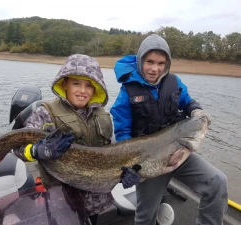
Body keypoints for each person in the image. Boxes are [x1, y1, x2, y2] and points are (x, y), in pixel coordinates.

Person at [110, 34, 228, 225]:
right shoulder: (127, 93)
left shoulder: (174, 82)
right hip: (149, 164)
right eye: (149, 62)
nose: (155, 69)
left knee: (217, 181)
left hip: (179, 153)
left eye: (160, 63)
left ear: (167, 64)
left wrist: (196, 110)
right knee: (145, 216)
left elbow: (187, 101)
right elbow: (123, 135)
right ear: (141, 60)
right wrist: (130, 167)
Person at [13, 54, 130, 225]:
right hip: (62, 201)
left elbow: (111, 155)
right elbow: (17, 147)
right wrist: (37, 150)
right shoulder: (46, 113)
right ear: (65, 84)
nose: (83, 91)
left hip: (96, 202)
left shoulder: (103, 116)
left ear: (96, 89)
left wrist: (124, 174)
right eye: (77, 83)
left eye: (89, 86)